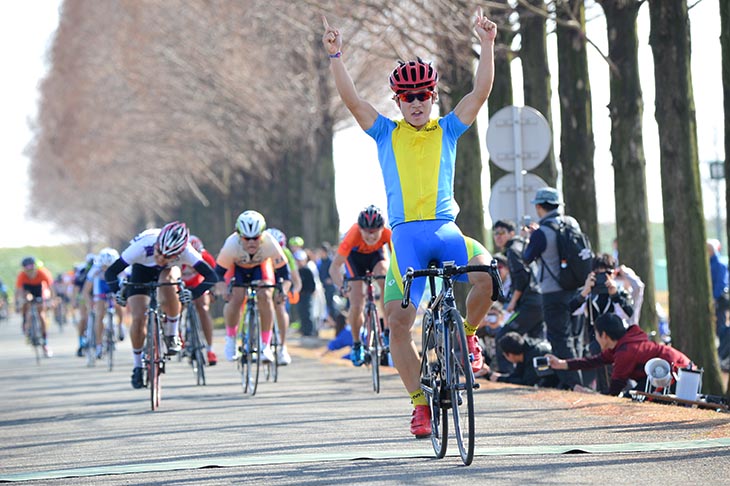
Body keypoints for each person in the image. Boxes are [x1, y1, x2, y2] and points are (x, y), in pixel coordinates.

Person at [323, 9, 498, 438]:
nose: (416, 103)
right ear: (398, 102)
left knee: (488, 277)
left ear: (433, 97)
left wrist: (488, 44)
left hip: (446, 230)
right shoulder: (386, 133)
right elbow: (352, 102)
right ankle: (420, 404)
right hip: (406, 241)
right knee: (396, 323)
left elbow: (480, 92)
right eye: (408, 97)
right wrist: (336, 55)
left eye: (423, 95)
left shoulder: (449, 129)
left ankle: (469, 336)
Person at [104, 221, 218, 389]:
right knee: (138, 317)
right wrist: (118, 291)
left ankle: (172, 334)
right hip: (141, 269)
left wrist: (193, 293)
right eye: (159, 253)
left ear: (179, 253)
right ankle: (137, 366)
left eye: (167, 256)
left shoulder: (186, 250)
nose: (161, 258)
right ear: (156, 245)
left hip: (169, 270)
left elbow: (211, 276)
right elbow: (111, 272)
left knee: (168, 281)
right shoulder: (142, 246)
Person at [522, 187, 583, 390]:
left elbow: (527, 258)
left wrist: (529, 238)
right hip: (576, 288)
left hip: (552, 291)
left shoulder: (541, 233)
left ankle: (573, 383)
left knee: (559, 337)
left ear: (540, 207)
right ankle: (574, 379)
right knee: (575, 337)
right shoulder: (572, 223)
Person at [213, 211, 293, 364]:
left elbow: (285, 275)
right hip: (236, 268)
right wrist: (222, 288)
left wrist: (283, 290)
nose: (251, 242)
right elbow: (218, 274)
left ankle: (265, 345)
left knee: (265, 296)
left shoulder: (270, 244)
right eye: (246, 238)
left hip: (260, 267)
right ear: (239, 236)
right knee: (236, 297)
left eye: (256, 238)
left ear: (262, 235)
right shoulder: (231, 245)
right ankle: (230, 338)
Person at [547, 313, 693, 396]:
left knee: (633, 398)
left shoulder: (625, 351)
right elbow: (593, 361)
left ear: (603, 335)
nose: (596, 338)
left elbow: (614, 393)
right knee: (635, 395)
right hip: (677, 371)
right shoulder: (622, 345)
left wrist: (590, 394)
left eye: (596, 334)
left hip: (681, 374)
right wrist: (562, 364)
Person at [329, 205, 392, 366]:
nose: (371, 237)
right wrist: (341, 286)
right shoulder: (352, 235)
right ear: (360, 229)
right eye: (366, 233)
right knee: (357, 304)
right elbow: (334, 268)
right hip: (355, 260)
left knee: (385, 278)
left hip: (376, 257)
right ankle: (357, 344)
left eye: (374, 233)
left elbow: (398, 259)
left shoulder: (388, 233)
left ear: (381, 228)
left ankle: (387, 329)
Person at [569, 253, 634, 393]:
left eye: (607, 273)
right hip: (597, 342)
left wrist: (615, 294)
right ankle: (606, 393)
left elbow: (628, 313)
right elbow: (572, 310)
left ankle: (616, 393)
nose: (602, 278)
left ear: (614, 273)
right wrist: (585, 291)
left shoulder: (621, 292)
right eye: (598, 274)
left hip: (618, 342)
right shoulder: (589, 294)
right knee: (600, 361)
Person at [492, 219, 544, 373]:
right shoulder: (522, 244)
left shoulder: (512, 250)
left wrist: (513, 302)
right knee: (534, 342)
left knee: (503, 336)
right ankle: (535, 376)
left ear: (511, 233)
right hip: (539, 302)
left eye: (502, 233)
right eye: (495, 234)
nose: (498, 237)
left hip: (529, 304)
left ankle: (506, 375)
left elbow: (521, 279)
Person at [265, 227, 303, 365]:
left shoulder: (286, 253)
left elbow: (295, 279)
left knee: (280, 307)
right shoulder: (261, 252)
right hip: (266, 277)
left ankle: (282, 345)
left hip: (281, 279)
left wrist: (289, 291)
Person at [181, 235, 219, 366]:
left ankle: (210, 349)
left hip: (198, 283)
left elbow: (215, 275)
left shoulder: (206, 257)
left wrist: (213, 291)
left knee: (203, 307)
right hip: (180, 283)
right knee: (175, 305)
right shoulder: (178, 256)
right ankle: (178, 334)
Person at [82, 247, 125, 359]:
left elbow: (125, 287)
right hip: (100, 287)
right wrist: (89, 303)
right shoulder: (95, 270)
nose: (107, 269)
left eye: (110, 267)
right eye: (104, 267)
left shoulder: (122, 270)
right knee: (99, 314)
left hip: (115, 285)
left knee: (119, 303)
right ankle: (99, 345)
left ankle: (120, 326)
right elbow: (86, 291)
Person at [479, 332, 559, 389]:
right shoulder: (526, 349)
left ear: (509, 354)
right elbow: (517, 375)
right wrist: (490, 374)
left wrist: (499, 378)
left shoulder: (534, 355)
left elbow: (526, 382)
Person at [15, 256, 55, 357]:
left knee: (41, 314)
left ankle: (44, 341)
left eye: (32, 269)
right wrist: (18, 302)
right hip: (27, 289)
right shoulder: (22, 276)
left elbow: (51, 288)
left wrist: (51, 300)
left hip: (39, 289)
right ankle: (26, 323)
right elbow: (19, 290)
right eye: (27, 270)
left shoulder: (43, 273)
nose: (30, 273)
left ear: (35, 267)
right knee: (26, 302)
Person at [707, 239, 730, 365]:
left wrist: (714, 298)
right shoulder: (710, 263)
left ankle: (722, 353)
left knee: (720, 326)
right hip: (713, 300)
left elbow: (721, 283)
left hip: (719, 301)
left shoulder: (720, 264)